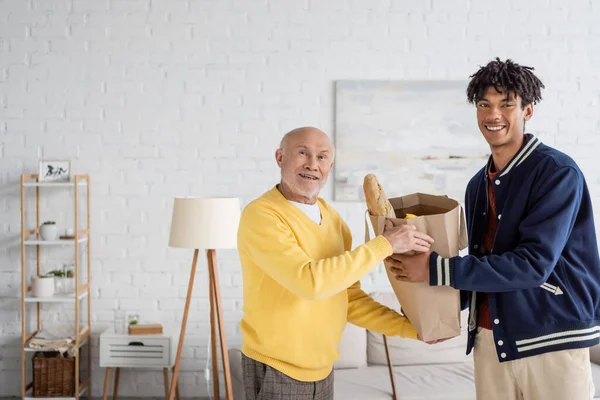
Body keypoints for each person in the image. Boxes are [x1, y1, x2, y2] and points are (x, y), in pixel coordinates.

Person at [388, 58, 600, 400]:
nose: (493, 115)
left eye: (506, 104)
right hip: (490, 340)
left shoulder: (557, 173)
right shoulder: (476, 186)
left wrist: (434, 269)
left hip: (551, 341)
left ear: (527, 111)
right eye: (484, 104)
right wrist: (429, 308)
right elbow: (484, 264)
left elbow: (532, 264)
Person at [237, 126, 435, 400]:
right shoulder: (262, 216)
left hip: (324, 371)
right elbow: (310, 283)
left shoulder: (334, 221)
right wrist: (386, 244)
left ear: (330, 166)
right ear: (280, 157)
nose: (312, 164)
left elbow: (349, 300)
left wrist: (413, 330)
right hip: (276, 368)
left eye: (322, 157)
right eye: (302, 153)